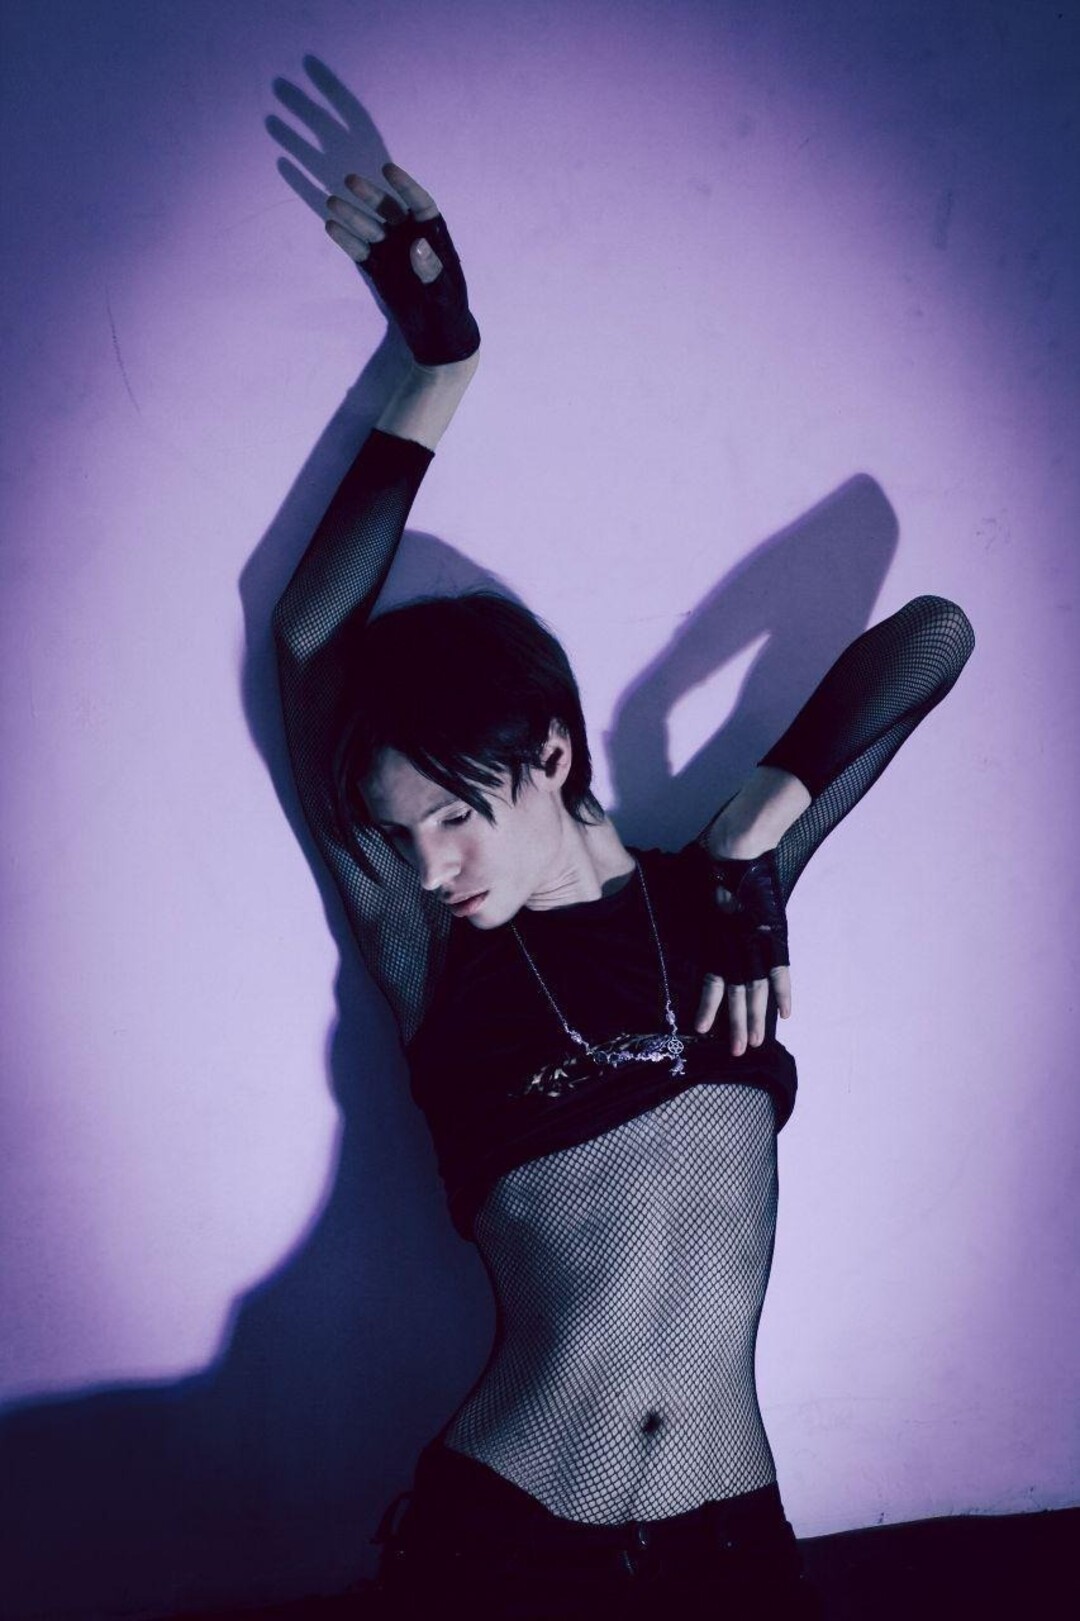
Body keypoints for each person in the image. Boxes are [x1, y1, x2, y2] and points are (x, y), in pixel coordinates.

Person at [273, 161, 975, 1618]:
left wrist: (755, 826)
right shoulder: (434, 957)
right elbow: (310, 636)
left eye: (454, 817)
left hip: (735, 1546)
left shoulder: (719, 905)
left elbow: (933, 636)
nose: (430, 867)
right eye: (404, 837)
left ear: (550, 753)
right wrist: (440, 365)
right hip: (508, 1539)